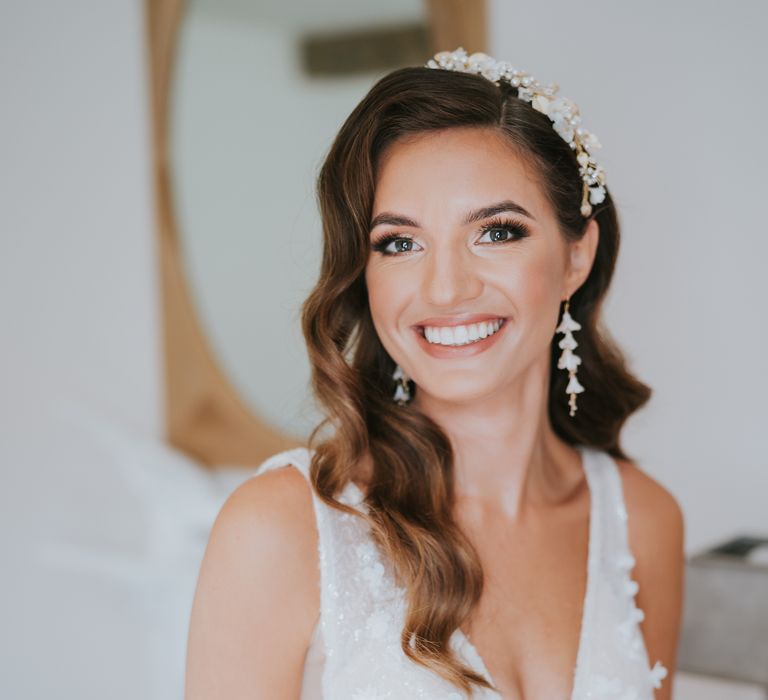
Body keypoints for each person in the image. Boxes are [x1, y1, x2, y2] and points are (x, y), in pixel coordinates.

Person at [184, 48, 684, 700]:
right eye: (400, 243)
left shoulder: (642, 519)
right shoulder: (281, 528)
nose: (446, 289)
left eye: (497, 232)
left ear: (575, 257)